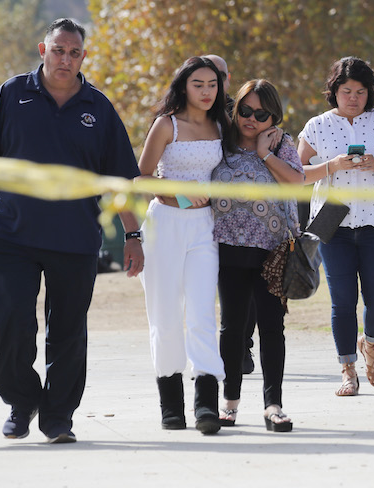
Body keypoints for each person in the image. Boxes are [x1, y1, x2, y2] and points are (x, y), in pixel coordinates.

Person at [0, 18, 143, 443]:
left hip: (75, 240)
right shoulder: (11, 95)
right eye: (58, 50)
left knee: (68, 332)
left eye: (73, 53)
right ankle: (21, 402)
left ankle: (58, 418)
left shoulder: (98, 107)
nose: (65, 59)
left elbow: (119, 180)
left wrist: (133, 236)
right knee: (12, 325)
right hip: (11, 237)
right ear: (43, 50)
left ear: (83, 57)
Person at [298, 57, 374, 396]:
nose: (354, 98)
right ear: (334, 91)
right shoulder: (317, 125)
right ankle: (347, 369)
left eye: (361, 91)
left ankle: (370, 344)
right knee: (342, 301)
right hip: (334, 225)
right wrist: (331, 166)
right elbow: (297, 174)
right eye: (346, 91)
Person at [137, 56, 228, 434]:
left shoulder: (222, 125)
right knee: (166, 317)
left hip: (205, 229)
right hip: (165, 225)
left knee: (203, 314)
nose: (207, 91)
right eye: (198, 84)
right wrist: (182, 195)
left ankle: (206, 406)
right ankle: (171, 407)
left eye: (212, 84)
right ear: (183, 86)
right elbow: (142, 178)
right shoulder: (167, 124)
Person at [212, 79, 301, 431]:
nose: (251, 119)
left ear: (274, 116)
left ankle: (273, 405)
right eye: (245, 110)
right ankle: (230, 403)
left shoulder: (282, 144)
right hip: (228, 248)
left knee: (271, 328)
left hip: (272, 251)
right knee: (232, 328)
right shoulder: (221, 142)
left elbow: (297, 182)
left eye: (261, 114)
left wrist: (265, 154)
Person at [205, 54, 256, 375]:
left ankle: (242, 346)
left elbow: (264, 131)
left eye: (219, 76)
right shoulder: (186, 114)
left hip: (239, 216)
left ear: (228, 78)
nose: (213, 83)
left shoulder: (240, 112)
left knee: (243, 286)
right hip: (195, 212)